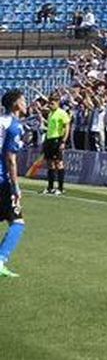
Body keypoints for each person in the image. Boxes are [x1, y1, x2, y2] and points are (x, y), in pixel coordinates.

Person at [0, 90, 26, 278]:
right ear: (16, 104)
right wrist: (15, 186)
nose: (26, 103)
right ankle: (1, 260)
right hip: (1, 181)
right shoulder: (15, 126)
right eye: (23, 100)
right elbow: (11, 159)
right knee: (17, 222)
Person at [41, 96, 70, 195]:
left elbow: (67, 127)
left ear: (58, 103)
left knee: (59, 163)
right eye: (50, 103)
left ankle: (61, 188)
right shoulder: (50, 114)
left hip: (57, 139)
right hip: (49, 139)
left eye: (52, 103)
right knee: (50, 163)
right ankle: (50, 187)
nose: (50, 105)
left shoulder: (62, 113)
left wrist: (63, 141)